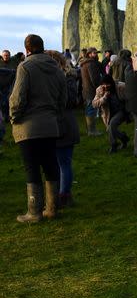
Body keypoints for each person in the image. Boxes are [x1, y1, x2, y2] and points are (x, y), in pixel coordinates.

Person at [9, 34, 67, 223]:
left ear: (27, 49)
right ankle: (52, 208)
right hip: (50, 124)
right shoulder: (56, 68)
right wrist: (55, 115)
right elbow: (63, 98)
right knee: (51, 164)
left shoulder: (25, 67)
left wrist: (14, 117)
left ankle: (34, 212)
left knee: (31, 166)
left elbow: (18, 98)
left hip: (29, 126)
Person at [46, 50, 80, 207]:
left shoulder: (69, 79)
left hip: (65, 123)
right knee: (56, 163)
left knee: (64, 162)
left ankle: (63, 195)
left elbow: (71, 100)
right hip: (54, 124)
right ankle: (60, 194)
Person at [92, 74, 129, 153]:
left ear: (111, 83)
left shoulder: (121, 87)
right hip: (108, 113)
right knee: (110, 129)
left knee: (112, 125)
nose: (105, 86)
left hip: (121, 110)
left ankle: (113, 145)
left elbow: (130, 97)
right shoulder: (99, 90)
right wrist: (104, 98)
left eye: (107, 84)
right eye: (103, 84)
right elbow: (94, 104)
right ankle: (123, 138)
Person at [80, 47, 103, 136]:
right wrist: (99, 87)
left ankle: (90, 130)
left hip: (86, 90)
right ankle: (92, 131)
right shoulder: (91, 64)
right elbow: (94, 79)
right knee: (91, 110)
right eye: (94, 53)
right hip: (91, 90)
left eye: (96, 53)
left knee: (89, 109)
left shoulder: (85, 63)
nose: (96, 54)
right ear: (89, 54)